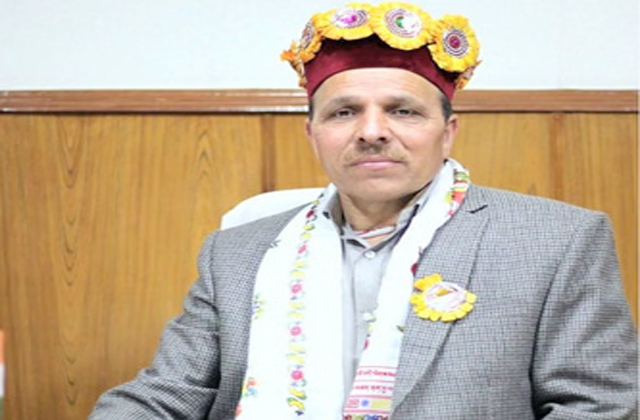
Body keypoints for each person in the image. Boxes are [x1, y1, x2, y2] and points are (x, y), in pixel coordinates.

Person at [90, 2, 637, 419]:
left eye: (403, 111)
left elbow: (599, 406)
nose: (372, 131)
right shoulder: (235, 253)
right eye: (344, 112)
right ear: (313, 134)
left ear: (447, 132)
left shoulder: (557, 240)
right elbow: (166, 394)